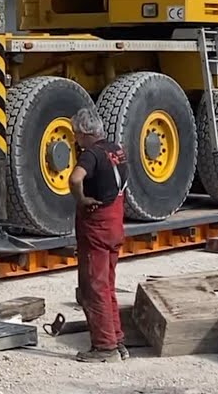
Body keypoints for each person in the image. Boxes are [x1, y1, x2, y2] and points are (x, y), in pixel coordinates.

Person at [68, 106, 130, 363]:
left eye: (75, 134)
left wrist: (81, 199)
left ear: (84, 133)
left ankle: (105, 347)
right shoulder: (116, 149)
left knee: (94, 287)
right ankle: (118, 340)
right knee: (108, 285)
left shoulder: (91, 155)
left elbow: (74, 179)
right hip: (115, 222)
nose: (75, 139)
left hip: (97, 226)